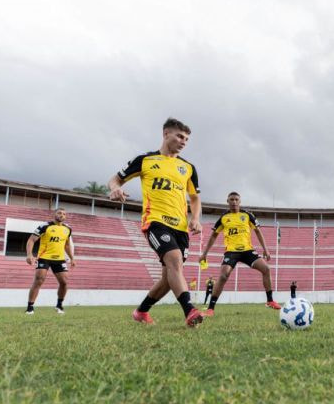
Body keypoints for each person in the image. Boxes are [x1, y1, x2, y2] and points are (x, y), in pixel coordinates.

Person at [108, 117, 204, 327]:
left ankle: (141, 311)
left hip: (181, 227)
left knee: (169, 278)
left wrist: (195, 218)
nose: (183, 141)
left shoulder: (188, 168)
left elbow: (195, 198)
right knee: (174, 261)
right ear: (165, 134)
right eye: (179, 136)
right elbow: (115, 179)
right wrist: (115, 189)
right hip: (155, 221)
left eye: (186, 139)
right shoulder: (145, 160)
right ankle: (190, 311)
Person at [199, 192, 280, 316]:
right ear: (228, 201)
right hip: (231, 252)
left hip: (247, 251)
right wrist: (204, 254)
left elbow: (258, 231)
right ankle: (210, 309)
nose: (234, 202)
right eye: (231, 199)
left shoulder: (247, 215)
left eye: (236, 199)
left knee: (266, 269)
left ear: (240, 201)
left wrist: (265, 249)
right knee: (223, 276)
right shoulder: (223, 218)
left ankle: (270, 300)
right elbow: (213, 236)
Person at [25, 208, 75, 315]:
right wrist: (29, 254)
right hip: (44, 257)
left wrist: (72, 258)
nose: (62, 215)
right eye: (60, 213)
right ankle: (30, 307)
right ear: (55, 214)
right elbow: (31, 240)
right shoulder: (45, 226)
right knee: (39, 280)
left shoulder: (68, 229)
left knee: (64, 282)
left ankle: (59, 305)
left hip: (60, 258)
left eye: (64, 214)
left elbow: (66, 245)